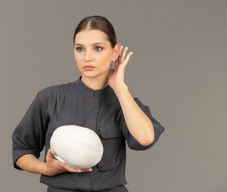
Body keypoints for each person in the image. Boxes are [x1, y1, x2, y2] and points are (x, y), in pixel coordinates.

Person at [12, 15, 165, 192]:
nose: (87, 57)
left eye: (97, 48)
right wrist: (46, 168)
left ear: (115, 53)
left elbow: (145, 139)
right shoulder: (49, 98)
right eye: (80, 49)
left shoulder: (125, 103)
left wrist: (120, 87)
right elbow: (21, 150)